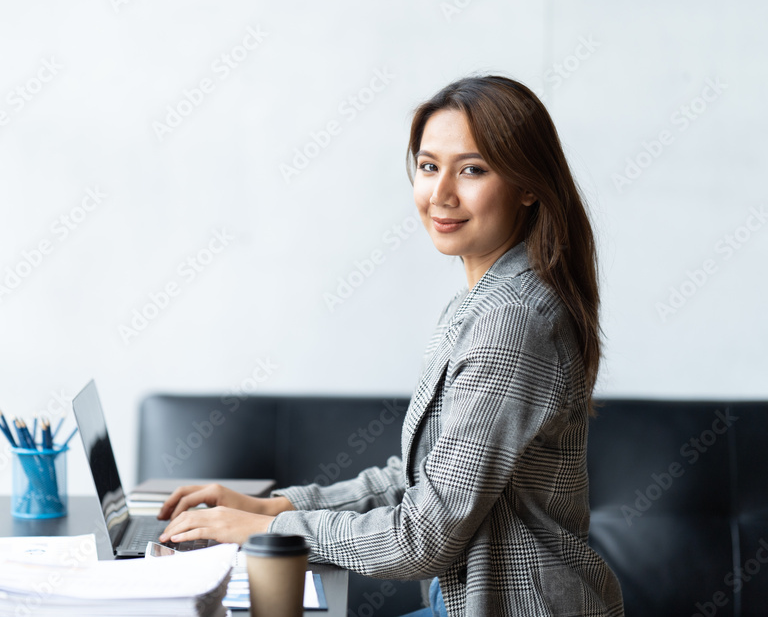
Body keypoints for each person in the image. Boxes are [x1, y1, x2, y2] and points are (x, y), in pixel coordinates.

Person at [158, 75, 625, 616]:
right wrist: (273, 504)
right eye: (429, 166)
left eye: (472, 169)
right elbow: (416, 479)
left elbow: (421, 538)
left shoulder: (511, 323)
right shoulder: (484, 302)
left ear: (527, 185)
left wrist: (267, 528)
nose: (440, 194)